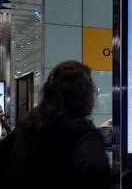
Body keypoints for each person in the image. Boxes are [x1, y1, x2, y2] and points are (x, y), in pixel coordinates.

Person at [0, 60, 110, 189]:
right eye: (93, 91)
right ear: (84, 95)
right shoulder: (84, 134)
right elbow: (97, 173)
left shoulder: (27, 125)